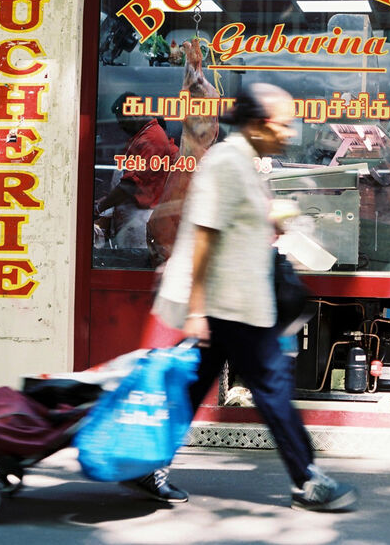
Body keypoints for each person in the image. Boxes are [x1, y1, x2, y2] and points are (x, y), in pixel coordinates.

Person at [130, 83, 358, 511]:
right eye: (282, 124)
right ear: (257, 124)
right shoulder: (227, 162)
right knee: (273, 392)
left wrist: (272, 219)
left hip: (237, 303)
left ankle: (147, 464)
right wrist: (198, 310)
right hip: (229, 306)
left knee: (193, 392)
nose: (288, 132)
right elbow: (204, 235)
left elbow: (236, 223)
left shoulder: (244, 161)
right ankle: (307, 480)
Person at [94, 93, 179, 251]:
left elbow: (131, 185)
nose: (121, 127)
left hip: (138, 222)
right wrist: (108, 202)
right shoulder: (143, 136)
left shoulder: (151, 139)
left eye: (122, 121)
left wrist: (100, 208)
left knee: (134, 261)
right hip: (130, 219)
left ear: (132, 115)